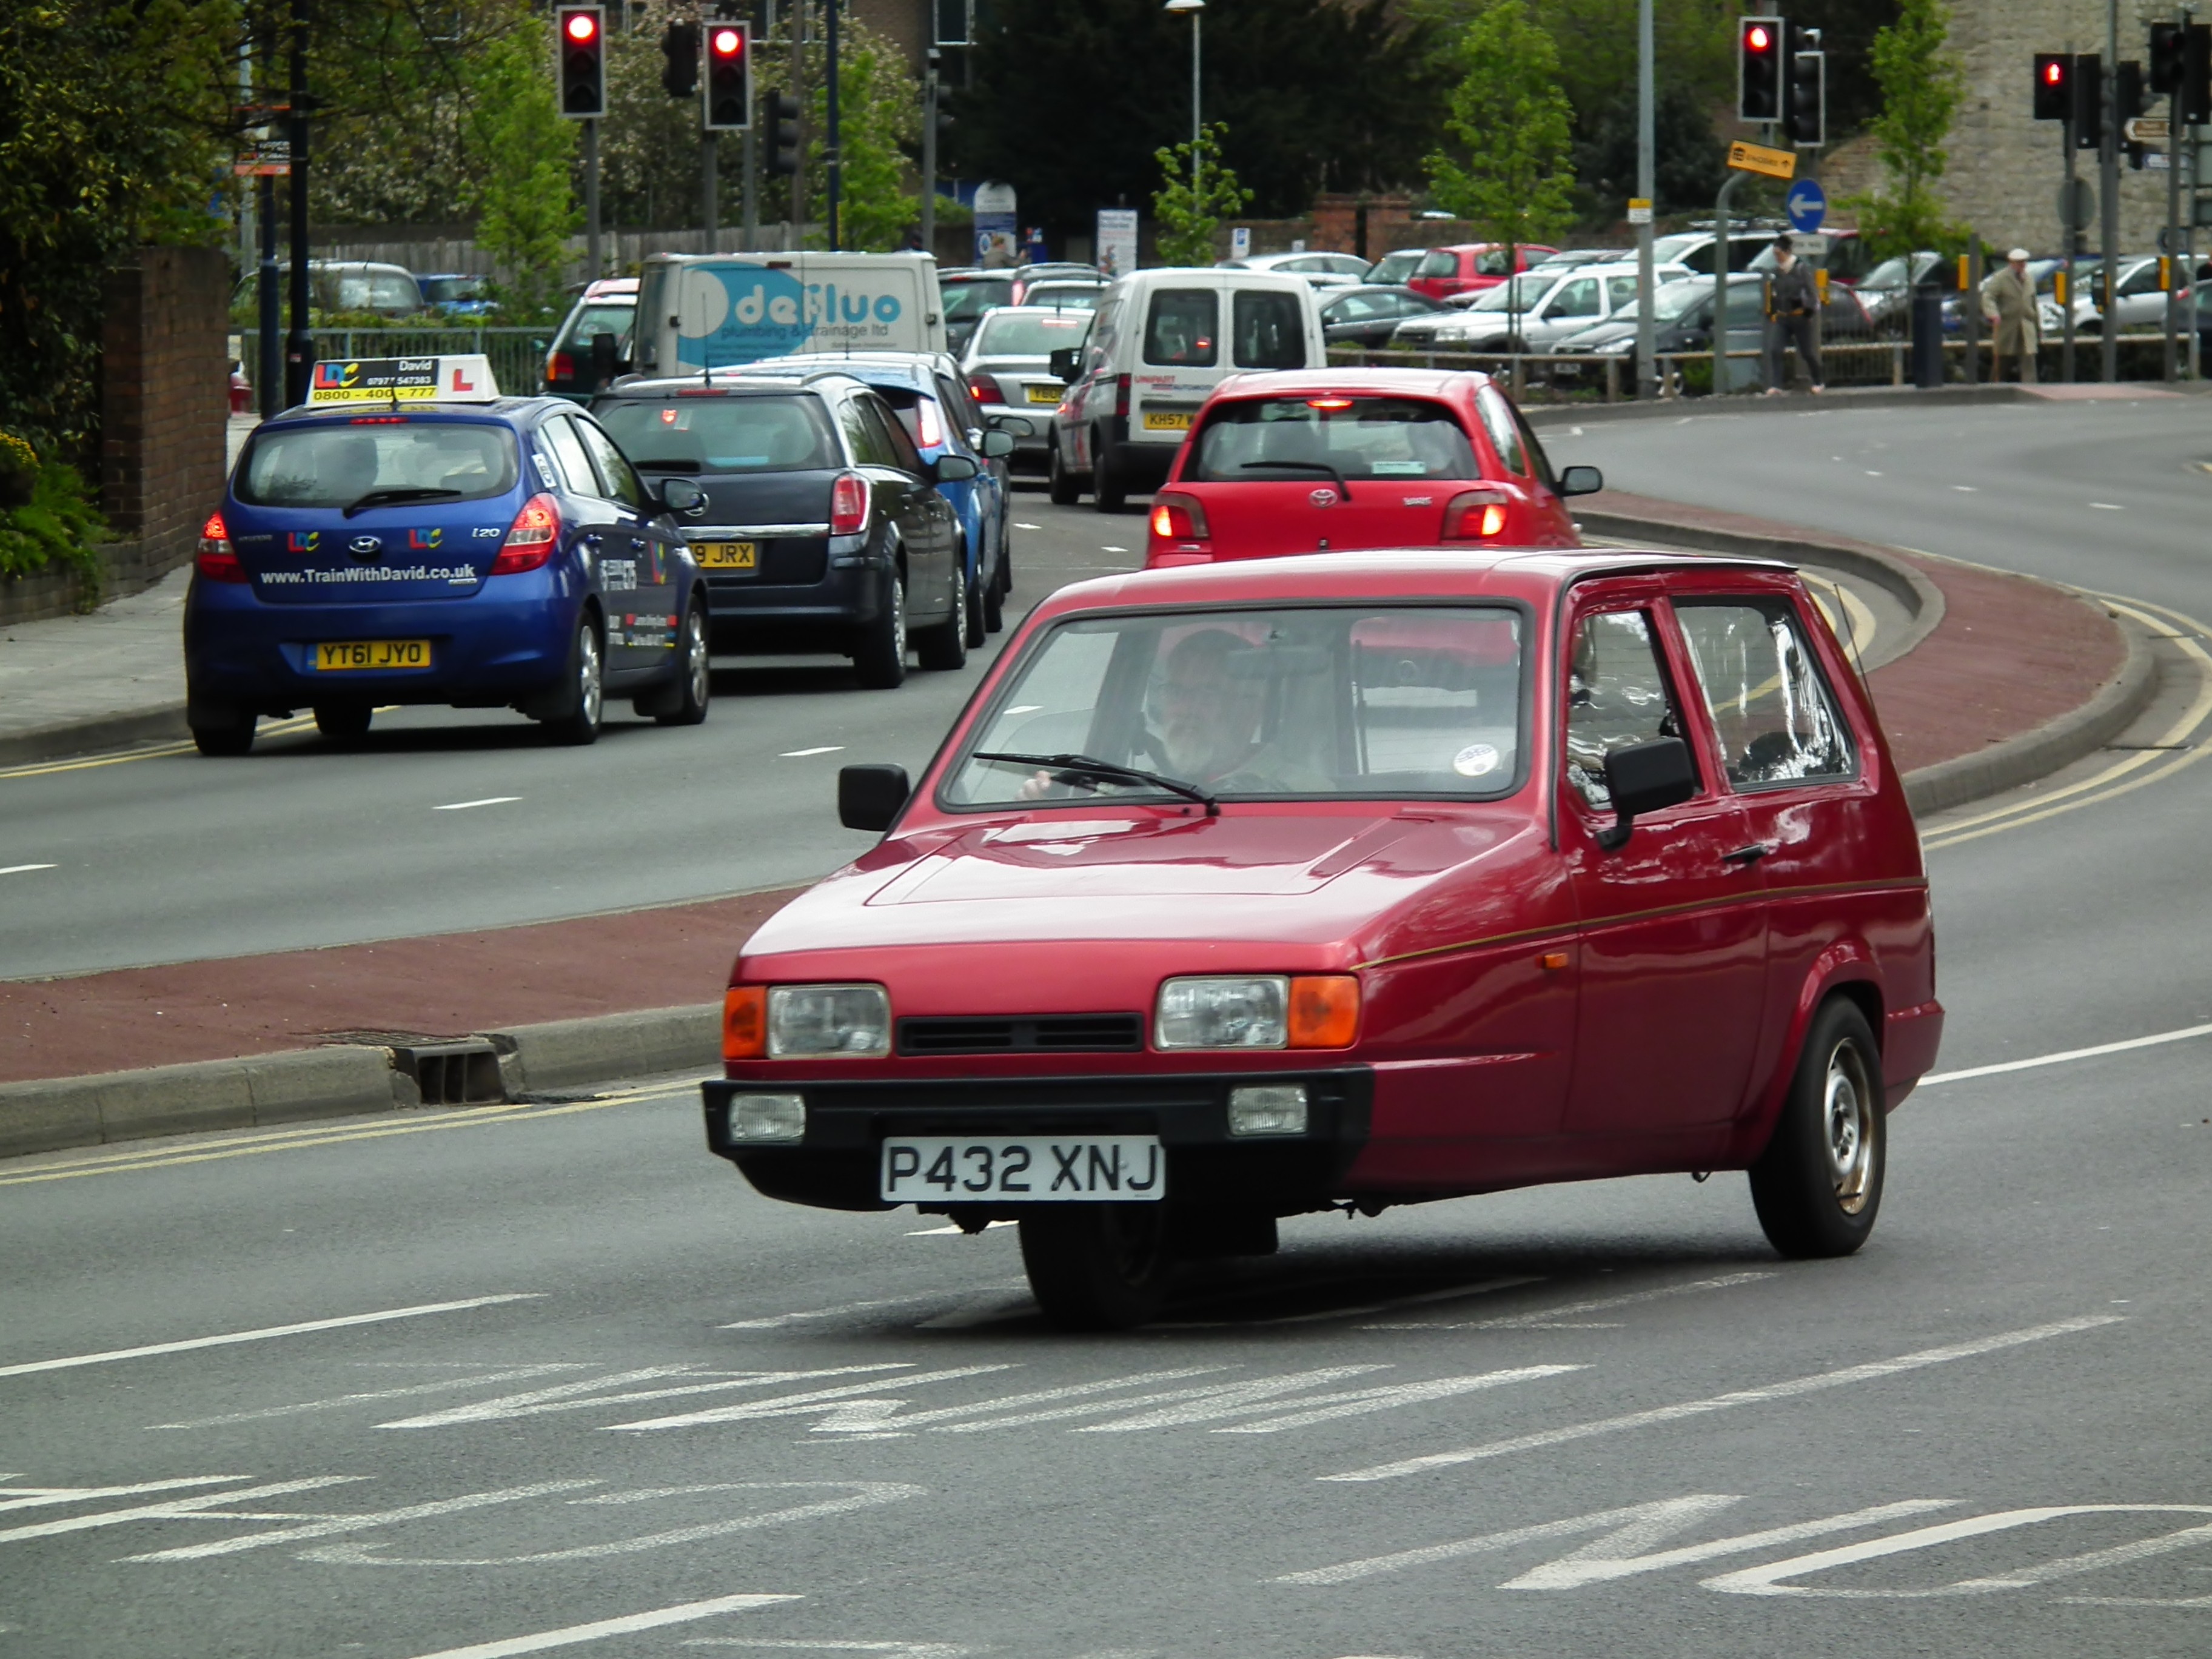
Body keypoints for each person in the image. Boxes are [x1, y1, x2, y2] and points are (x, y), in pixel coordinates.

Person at [1764, 234, 1823, 395]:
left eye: (1779, 254)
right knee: (1775, 349)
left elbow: (1813, 295)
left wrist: (1807, 312)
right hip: (1783, 318)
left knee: (1807, 352)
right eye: (1775, 255)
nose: (1777, 258)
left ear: (1787, 252)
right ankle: (1776, 385)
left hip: (1799, 317)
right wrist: (1773, 310)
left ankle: (1818, 381)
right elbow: (1774, 293)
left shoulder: (1800, 269)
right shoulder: (1777, 272)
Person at [1985, 247, 2039, 384]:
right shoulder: (2001, 278)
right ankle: (1994, 386)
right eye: (2019, 262)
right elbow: (1988, 296)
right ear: (2011, 262)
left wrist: (2038, 328)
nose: (2022, 265)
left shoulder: (2029, 278)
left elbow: (2033, 303)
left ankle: (2031, 387)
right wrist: (1993, 314)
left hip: (2027, 324)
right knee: (2003, 359)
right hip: (2008, 325)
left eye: (2024, 262)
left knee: (2029, 357)